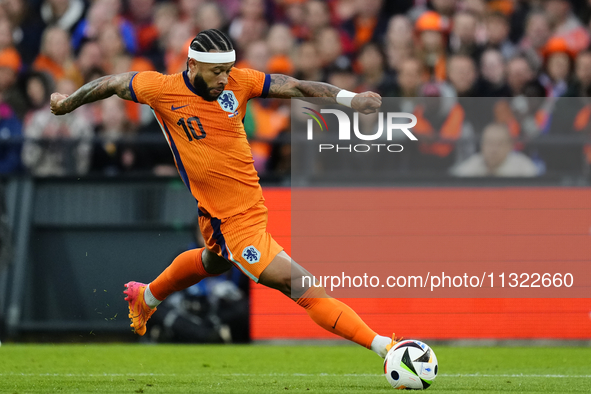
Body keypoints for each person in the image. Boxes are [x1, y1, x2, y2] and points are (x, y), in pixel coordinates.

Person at [50, 29, 397, 359]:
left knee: (212, 261)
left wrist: (351, 99)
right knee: (302, 286)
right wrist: (68, 103)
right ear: (192, 65)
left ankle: (147, 297)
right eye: (216, 72)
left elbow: (294, 86)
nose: (223, 79)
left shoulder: (238, 83)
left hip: (250, 209)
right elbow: (111, 83)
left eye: (227, 70)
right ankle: (385, 348)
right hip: (228, 221)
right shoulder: (161, 89)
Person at [450, 122, 539, 177]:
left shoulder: (525, 169)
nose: (494, 149)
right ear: (482, 145)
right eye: (489, 143)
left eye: (499, 144)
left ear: (510, 146)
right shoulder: (470, 167)